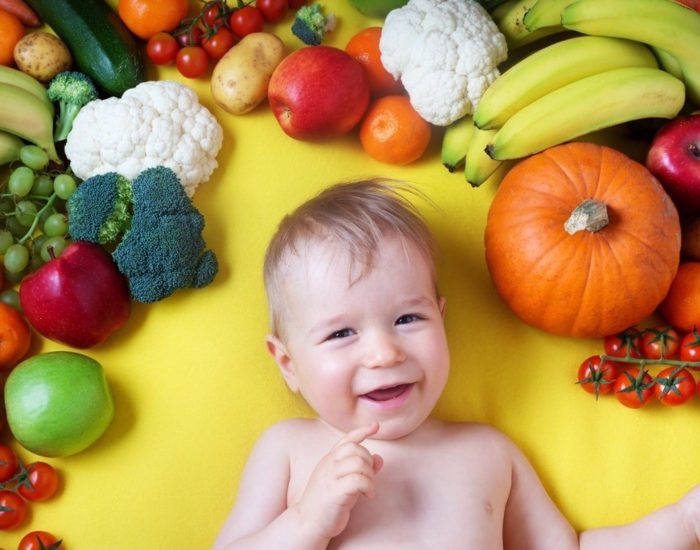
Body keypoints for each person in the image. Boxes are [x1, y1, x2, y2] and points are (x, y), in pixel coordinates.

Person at [213, 180, 700, 549]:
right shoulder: (291, 450)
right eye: (342, 333)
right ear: (287, 362)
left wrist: (684, 522)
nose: (385, 353)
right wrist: (305, 523)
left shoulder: (488, 452)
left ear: (441, 320)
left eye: (408, 318)